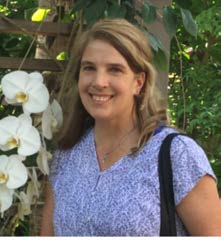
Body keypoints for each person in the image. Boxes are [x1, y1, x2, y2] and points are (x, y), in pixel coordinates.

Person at [40, 18, 221, 236]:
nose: (99, 81)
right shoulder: (66, 156)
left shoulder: (177, 156)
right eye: (89, 68)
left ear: (139, 82)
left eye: (114, 70)